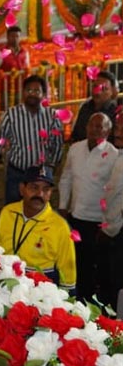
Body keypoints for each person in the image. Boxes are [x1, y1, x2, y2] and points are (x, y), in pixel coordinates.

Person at [59, 113, 117, 302]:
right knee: (76, 261)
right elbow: (66, 178)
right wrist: (62, 206)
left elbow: (113, 192)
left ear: (108, 131)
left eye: (100, 127)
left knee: (96, 265)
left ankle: (94, 303)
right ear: (86, 127)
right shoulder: (75, 149)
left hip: (98, 221)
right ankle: (77, 299)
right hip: (75, 216)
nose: (95, 130)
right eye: (92, 125)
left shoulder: (113, 155)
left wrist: (107, 223)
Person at [0, 75, 64, 205]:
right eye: (29, 90)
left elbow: (58, 144)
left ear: (43, 94)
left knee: (37, 210)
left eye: (36, 91)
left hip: (40, 176)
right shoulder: (11, 115)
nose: (32, 94)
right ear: (22, 92)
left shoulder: (52, 116)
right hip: (17, 174)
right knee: (13, 209)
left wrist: (52, 166)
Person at [0, 167, 76, 293]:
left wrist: (67, 298)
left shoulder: (60, 226)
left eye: (46, 189)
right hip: (6, 282)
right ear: (22, 189)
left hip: (41, 290)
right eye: (34, 188)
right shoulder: (7, 212)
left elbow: (67, 271)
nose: (40, 194)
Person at [100, 150, 123, 313]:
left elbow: (111, 192)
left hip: (117, 226)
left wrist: (107, 224)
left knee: (115, 280)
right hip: (115, 224)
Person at [69, 71, 118, 143]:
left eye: (104, 89)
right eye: (95, 87)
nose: (98, 92)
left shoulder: (116, 113)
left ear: (112, 92)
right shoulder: (85, 107)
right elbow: (76, 135)